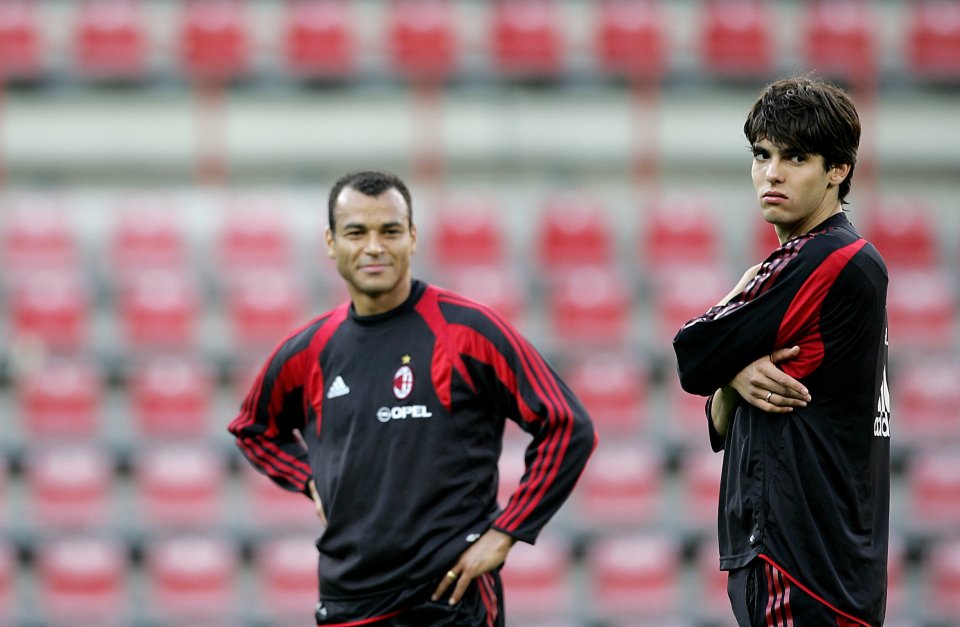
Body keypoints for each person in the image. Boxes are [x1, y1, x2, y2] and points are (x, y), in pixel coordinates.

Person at [228, 169, 597, 626]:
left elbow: (567, 425)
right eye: (356, 232)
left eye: (390, 231)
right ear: (330, 242)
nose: (374, 247)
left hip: (448, 599)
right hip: (350, 601)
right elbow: (252, 429)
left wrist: (506, 532)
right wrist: (308, 479)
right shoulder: (309, 350)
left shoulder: (467, 331)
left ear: (413, 237)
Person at [673, 76, 890, 626]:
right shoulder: (835, 261)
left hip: (799, 562)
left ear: (838, 170)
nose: (772, 173)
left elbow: (692, 355)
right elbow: (720, 415)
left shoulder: (826, 258)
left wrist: (721, 365)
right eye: (762, 155)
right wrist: (732, 376)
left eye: (796, 158)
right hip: (827, 565)